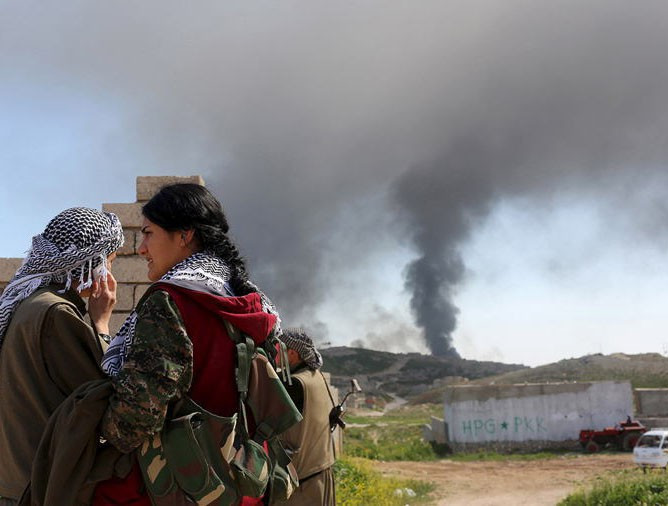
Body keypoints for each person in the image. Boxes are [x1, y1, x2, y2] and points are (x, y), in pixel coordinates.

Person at [94, 183, 281, 504]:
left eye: (148, 233)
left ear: (184, 235)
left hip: (175, 487)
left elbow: (135, 419)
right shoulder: (252, 302)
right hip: (238, 484)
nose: (141, 249)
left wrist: (89, 430)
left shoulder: (172, 301)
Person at [0, 207, 123, 505]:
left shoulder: (28, 300)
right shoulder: (57, 313)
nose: (110, 273)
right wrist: (101, 326)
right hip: (37, 487)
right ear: (93, 264)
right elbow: (102, 395)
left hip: (15, 483)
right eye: (109, 262)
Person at [277, 329, 336, 506]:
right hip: (320, 473)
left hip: (301, 485)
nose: (274, 353)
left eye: (277, 348)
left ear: (292, 354)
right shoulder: (316, 376)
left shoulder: (295, 383)